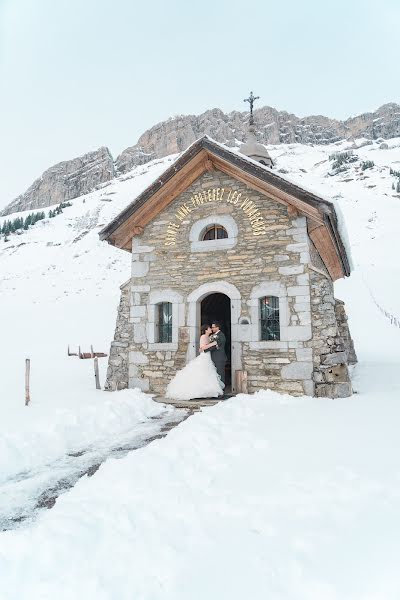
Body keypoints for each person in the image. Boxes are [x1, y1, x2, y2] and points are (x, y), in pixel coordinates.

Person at [165, 324, 224, 401]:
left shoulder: (209, 337)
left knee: (208, 373)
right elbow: (202, 348)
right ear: (206, 330)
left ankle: (208, 391)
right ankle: (202, 391)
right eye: (209, 328)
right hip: (204, 356)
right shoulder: (203, 336)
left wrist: (213, 343)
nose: (211, 329)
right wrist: (213, 343)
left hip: (208, 356)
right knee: (203, 373)